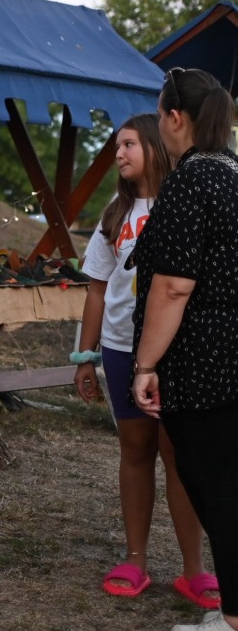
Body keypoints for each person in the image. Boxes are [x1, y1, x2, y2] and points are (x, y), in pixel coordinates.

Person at [74, 114, 217, 606]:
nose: (119, 153)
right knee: (135, 451)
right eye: (117, 146)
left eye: (130, 144)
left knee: (179, 455)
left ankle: (194, 568)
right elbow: (96, 290)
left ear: (156, 145)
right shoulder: (115, 213)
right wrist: (85, 356)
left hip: (175, 350)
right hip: (119, 349)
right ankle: (135, 559)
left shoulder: (185, 199)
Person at [130, 68, 238, 631]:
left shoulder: (191, 181)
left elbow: (173, 286)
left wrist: (145, 364)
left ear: (175, 117)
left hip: (205, 365)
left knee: (219, 492)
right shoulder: (234, 173)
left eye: (160, 115)